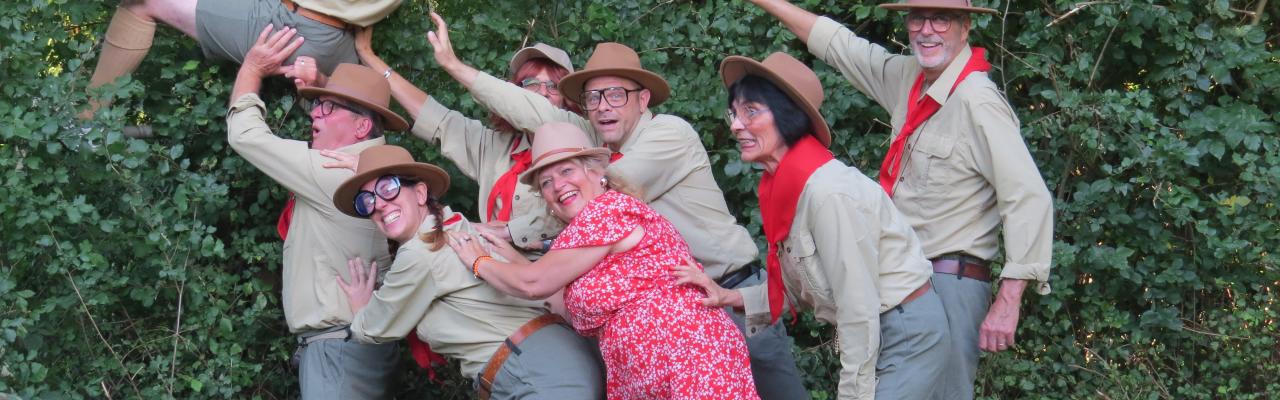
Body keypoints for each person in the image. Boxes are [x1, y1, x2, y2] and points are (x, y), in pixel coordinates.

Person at [423, 12, 808, 398]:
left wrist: (505, 233)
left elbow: (601, 201)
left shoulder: (663, 138)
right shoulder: (597, 152)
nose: (604, 106)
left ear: (642, 99)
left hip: (729, 296)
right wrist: (456, 68)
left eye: (616, 95)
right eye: (593, 97)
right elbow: (537, 113)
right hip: (663, 350)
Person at [747, 0, 1056, 398]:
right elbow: (840, 45)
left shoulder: (977, 100)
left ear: (965, 28)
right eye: (917, 18)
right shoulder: (911, 77)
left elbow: (1028, 197)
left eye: (941, 19)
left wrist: (1009, 299)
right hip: (899, 283)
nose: (927, 30)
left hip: (947, 281)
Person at [674, 52, 949, 399]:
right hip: (881, 329)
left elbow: (858, 306)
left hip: (905, 332)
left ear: (789, 115)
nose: (735, 125)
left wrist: (853, 394)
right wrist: (726, 295)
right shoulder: (786, 186)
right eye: (734, 112)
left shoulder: (827, 193)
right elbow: (800, 286)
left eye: (751, 111)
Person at [447, 122, 759, 400]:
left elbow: (534, 284)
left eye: (567, 171)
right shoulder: (582, 237)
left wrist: (479, 261)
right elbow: (559, 301)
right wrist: (505, 252)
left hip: (687, 358)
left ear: (596, 173)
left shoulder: (607, 212)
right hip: (646, 370)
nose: (558, 186)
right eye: (546, 182)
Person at [328, 145, 605, 399]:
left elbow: (375, 327)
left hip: (536, 373)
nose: (378, 204)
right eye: (366, 201)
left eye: (389, 188)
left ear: (421, 193)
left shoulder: (420, 253)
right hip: (559, 361)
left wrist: (360, 309)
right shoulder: (457, 226)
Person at [224, 26, 404, 398]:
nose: (313, 112)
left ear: (361, 126)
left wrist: (252, 69)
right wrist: (318, 88)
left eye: (327, 106)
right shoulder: (385, 174)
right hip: (360, 344)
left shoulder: (331, 172)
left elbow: (245, 135)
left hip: (337, 349)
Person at [347, 28, 578, 256]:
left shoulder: (584, 146)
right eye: (531, 84)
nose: (542, 93)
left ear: (568, 100)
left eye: (553, 86)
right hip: (493, 268)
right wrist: (368, 56)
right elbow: (435, 117)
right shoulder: (495, 146)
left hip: (555, 275)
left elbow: (585, 209)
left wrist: (509, 231)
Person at [81, 0, 401, 129]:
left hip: (292, 24)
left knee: (146, 2)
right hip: (342, 40)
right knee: (342, 124)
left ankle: (84, 121)